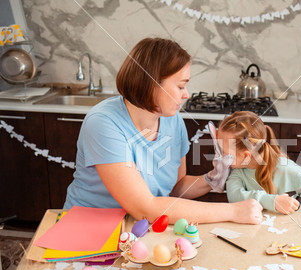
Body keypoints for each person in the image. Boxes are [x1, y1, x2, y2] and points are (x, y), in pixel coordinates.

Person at [64, 38, 263, 224]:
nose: (187, 94)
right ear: (152, 84)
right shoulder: (103, 123)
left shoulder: (173, 120)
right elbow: (145, 208)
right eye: (180, 86)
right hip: (90, 226)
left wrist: (213, 179)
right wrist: (233, 211)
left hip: (139, 228)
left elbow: (176, 188)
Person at [217, 111, 301, 215]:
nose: (220, 155)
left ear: (247, 155)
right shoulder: (236, 171)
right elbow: (235, 197)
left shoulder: (284, 168)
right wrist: (273, 201)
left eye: (224, 151)